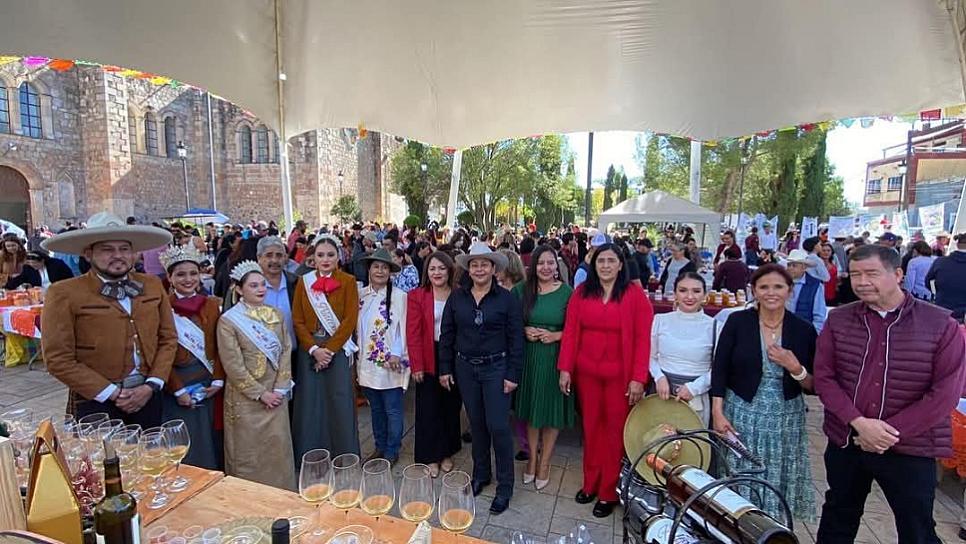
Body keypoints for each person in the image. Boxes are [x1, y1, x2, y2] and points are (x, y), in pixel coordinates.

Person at [814, 245, 966, 542]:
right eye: (855, 274)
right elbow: (825, 378)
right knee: (838, 517)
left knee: (916, 526)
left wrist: (888, 433)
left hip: (911, 447)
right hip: (848, 440)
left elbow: (945, 394)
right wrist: (859, 422)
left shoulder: (940, 324)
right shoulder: (839, 319)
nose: (861, 281)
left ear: (898, 274)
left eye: (871, 273)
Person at [41, 212, 177, 428]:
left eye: (124, 249)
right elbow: (58, 359)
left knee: (151, 458)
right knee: (102, 461)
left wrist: (152, 384)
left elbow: (168, 338)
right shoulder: (64, 292)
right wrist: (113, 393)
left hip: (148, 395)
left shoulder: (151, 284)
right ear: (88, 254)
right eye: (107, 249)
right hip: (95, 400)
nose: (118, 255)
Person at [711, 263, 817, 522]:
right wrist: (718, 412)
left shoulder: (803, 330)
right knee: (740, 473)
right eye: (764, 287)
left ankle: (770, 529)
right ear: (754, 291)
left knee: (776, 475)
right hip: (742, 412)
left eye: (778, 287)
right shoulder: (738, 321)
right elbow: (720, 367)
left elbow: (815, 386)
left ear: (789, 291)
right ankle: (737, 527)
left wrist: (795, 367)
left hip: (784, 418)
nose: (771, 293)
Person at [558, 243, 653, 518]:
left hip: (619, 378)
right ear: (594, 264)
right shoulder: (581, 292)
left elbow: (642, 340)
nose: (606, 266)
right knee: (591, 429)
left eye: (612, 261)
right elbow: (571, 332)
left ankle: (609, 491)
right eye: (601, 261)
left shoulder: (635, 295)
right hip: (587, 374)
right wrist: (565, 368)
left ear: (621, 265)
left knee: (614, 432)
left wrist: (638, 378)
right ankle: (590, 483)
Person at [438, 241, 524, 515]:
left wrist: (512, 374)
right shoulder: (457, 297)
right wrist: (445, 368)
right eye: (474, 264)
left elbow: (516, 339)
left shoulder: (507, 299)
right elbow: (447, 334)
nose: (479, 268)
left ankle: (505, 486)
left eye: (484, 264)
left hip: (496, 369)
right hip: (465, 369)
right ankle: (481, 474)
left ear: (493, 268)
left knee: (498, 426)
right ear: (468, 268)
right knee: (476, 425)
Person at [217, 260, 295, 490]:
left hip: (276, 395)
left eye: (262, 285)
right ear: (239, 289)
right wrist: (261, 394)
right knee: (248, 453)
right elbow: (233, 365)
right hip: (246, 400)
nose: (261, 289)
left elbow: (285, 350)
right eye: (253, 285)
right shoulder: (228, 321)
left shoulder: (276, 315)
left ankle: (284, 492)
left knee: (278, 449)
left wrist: (280, 388)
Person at [292, 235, 361, 459]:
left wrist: (329, 350)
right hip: (310, 350)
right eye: (320, 255)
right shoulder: (304, 281)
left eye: (330, 255)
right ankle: (311, 453)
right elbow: (298, 320)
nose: (325, 259)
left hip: (336, 350)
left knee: (339, 399)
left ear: (338, 257)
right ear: (313, 257)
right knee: (311, 402)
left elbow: (350, 319)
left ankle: (344, 454)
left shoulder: (349, 281)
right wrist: (314, 349)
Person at [512, 245, 575, 490]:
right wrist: (523, 329)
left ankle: (545, 462)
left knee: (551, 411)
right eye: (541, 263)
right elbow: (509, 321)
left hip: (555, 358)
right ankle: (531, 459)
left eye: (550, 263)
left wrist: (557, 336)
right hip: (529, 357)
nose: (546, 268)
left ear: (557, 266)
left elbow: (577, 328)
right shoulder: (522, 291)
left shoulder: (568, 293)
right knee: (532, 411)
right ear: (533, 266)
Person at [158, 244, 224, 470]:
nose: (188, 279)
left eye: (193, 273)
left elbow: (221, 347)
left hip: (209, 383)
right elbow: (158, 354)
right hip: (179, 385)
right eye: (181, 274)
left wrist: (218, 380)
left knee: (214, 440)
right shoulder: (161, 308)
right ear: (169, 277)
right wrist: (177, 389)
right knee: (188, 444)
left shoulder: (213, 305)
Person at [407, 251, 463, 478]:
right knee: (429, 408)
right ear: (426, 272)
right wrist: (417, 364)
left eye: (441, 268)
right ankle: (430, 456)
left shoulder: (460, 294)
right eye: (432, 268)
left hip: (453, 355)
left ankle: (447, 452)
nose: (437, 272)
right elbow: (413, 332)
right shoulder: (417, 295)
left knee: (450, 406)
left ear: (449, 270)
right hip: (428, 353)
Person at [357, 248, 410, 464]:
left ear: (390, 271)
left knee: (393, 409)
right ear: (369, 269)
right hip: (367, 363)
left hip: (390, 363)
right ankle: (379, 446)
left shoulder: (399, 296)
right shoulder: (360, 295)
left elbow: (402, 328)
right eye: (376, 266)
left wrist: (396, 353)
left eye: (384, 267)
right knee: (376, 409)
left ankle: (392, 449)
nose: (380, 271)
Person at [650, 272, 716, 426]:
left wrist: (694, 388)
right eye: (683, 290)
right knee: (659, 443)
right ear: (675, 294)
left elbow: (719, 368)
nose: (689, 296)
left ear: (705, 295)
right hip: (662, 391)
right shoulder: (660, 320)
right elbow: (650, 356)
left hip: (696, 395)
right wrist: (658, 377)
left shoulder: (714, 326)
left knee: (692, 445)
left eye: (696, 291)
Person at [925, 232, 966, 321]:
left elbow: (928, 282)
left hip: (942, 311)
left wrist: (937, 293)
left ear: (957, 244)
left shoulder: (940, 262)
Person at [784, 249, 827, 333]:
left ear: (804, 267)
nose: (790, 268)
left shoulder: (815, 285)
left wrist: (813, 335)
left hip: (803, 332)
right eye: (789, 265)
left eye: (794, 265)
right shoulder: (782, 281)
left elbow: (819, 316)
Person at [5, 248, 73, 289]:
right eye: (30, 263)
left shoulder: (57, 265)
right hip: (39, 296)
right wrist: (7, 285)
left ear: (43, 261)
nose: (32, 265)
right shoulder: (28, 268)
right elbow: (17, 281)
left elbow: (69, 279)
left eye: (34, 263)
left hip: (58, 292)